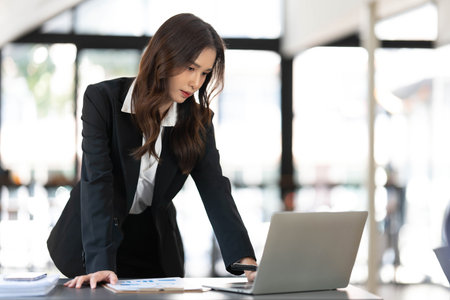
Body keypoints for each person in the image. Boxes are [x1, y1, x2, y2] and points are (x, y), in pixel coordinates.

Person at [47, 13, 257, 289]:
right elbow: (97, 181)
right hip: (96, 238)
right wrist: (100, 263)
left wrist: (245, 259)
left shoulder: (197, 119)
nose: (197, 83)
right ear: (165, 57)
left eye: (205, 73)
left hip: (154, 243)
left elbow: (215, 188)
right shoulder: (103, 100)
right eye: (191, 68)